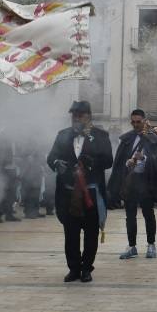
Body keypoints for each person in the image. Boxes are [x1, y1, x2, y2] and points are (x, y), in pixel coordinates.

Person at [46, 100, 113, 281]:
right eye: (73, 115)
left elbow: (109, 161)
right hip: (68, 193)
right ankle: (74, 268)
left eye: (79, 115)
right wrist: (56, 163)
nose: (75, 118)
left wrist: (94, 162)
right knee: (71, 234)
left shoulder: (101, 135)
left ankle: (86, 269)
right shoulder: (62, 135)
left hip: (90, 193)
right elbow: (51, 157)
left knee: (91, 234)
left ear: (88, 116)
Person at [109, 110, 157, 259]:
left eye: (139, 121)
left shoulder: (153, 139)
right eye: (133, 122)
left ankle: (151, 244)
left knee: (148, 214)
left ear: (144, 121)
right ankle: (131, 246)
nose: (136, 124)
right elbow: (120, 161)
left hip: (146, 181)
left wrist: (144, 158)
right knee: (130, 215)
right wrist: (128, 162)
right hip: (130, 181)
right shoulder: (127, 138)